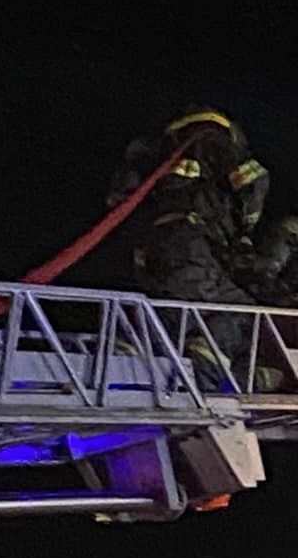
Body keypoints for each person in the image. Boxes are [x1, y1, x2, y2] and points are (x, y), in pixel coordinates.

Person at [110, 108, 271, 388]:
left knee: (172, 306)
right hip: (188, 243)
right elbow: (255, 180)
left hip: (148, 249)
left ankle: (120, 363)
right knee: (243, 312)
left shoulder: (158, 152)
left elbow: (118, 199)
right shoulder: (214, 141)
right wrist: (245, 230)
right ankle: (202, 376)